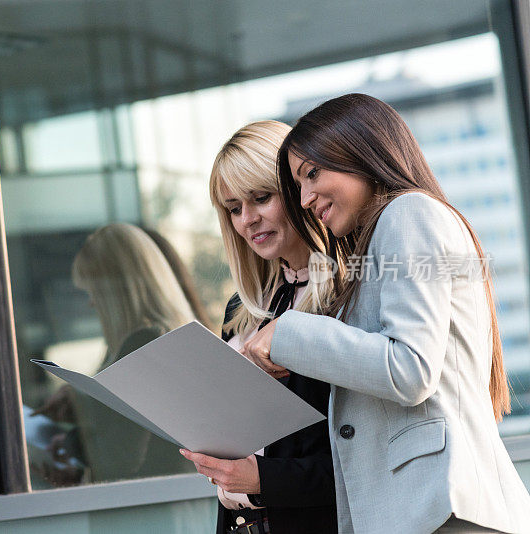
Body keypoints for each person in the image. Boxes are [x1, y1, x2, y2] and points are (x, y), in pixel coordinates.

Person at [241, 94, 530, 533]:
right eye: (298, 183)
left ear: (360, 151)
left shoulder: (408, 213)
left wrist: (290, 332)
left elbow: (408, 369)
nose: (304, 198)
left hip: (441, 510)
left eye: (313, 173)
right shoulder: (384, 236)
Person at [181, 120, 339, 534]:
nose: (247, 219)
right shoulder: (242, 308)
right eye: (234, 208)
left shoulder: (348, 296)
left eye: (261, 198)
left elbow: (363, 460)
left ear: (298, 192)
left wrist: (262, 478)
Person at [33, 222, 196, 484]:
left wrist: (74, 441)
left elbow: (121, 456)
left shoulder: (143, 344)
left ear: (117, 290)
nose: (91, 302)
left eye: (94, 290)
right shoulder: (163, 339)